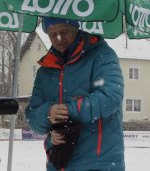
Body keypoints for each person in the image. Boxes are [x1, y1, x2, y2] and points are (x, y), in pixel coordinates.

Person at [25, 17, 125, 171]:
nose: (58, 38)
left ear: (76, 28)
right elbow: (32, 116)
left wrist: (67, 111)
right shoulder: (45, 71)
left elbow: (111, 97)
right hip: (58, 163)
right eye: (52, 34)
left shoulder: (101, 55)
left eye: (64, 31)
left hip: (99, 164)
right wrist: (48, 114)